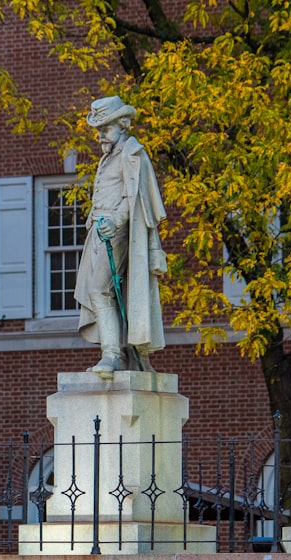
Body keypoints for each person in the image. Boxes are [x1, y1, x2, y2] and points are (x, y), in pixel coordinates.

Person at [74, 96, 168, 378]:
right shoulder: (109, 156)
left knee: (99, 289)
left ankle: (112, 354)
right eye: (98, 129)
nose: (101, 135)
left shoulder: (132, 154)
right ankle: (122, 353)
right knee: (105, 291)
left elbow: (135, 198)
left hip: (118, 230)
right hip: (98, 230)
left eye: (106, 128)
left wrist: (114, 222)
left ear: (123, 124)